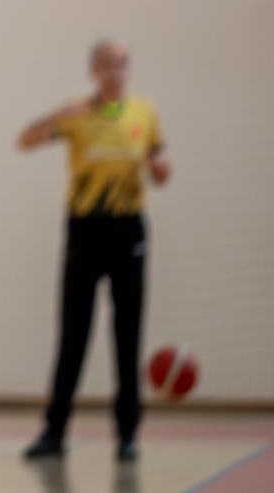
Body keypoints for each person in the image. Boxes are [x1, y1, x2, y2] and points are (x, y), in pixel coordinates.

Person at [17, 40, 169, 463]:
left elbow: (161, 165)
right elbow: (24, 141)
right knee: (73, 333)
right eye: (106, 65)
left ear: (128, 70)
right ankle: (55, 431)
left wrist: (161, 169)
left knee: (128, 334)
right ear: (93, 71)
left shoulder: (144, 113)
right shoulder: (77, 114)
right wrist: (58, 115)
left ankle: (128, 434)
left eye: (121, 64)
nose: (114, 72)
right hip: (85, 230)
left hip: (128, 229)